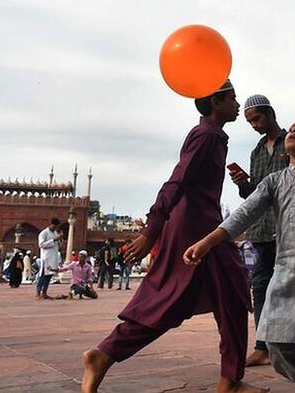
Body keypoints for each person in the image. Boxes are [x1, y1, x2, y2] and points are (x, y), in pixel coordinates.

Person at [81, 80, 261, 393]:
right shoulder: (205, 135)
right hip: (196, 231)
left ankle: (106, 354)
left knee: (187, 301)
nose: (237, 103)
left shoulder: (214, 135)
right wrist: (152, 230)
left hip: (201, 227)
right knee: (195, 297)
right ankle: (229, 380)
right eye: (233, 98)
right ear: (216, 103)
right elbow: (176, 181)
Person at [185, 110, 295, 393]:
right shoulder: (275, 181)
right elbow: (244, 214)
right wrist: (207, 241)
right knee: (276, 346)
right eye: (293, 127)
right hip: (285, 272)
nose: (293, 131)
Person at [226, 94, 288, 368]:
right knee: (261, 287)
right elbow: (254, 197)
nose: (254, 125)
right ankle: (263, 346)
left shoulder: (293, 142)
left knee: (288, 288)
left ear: (270, 113)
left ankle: (289, 344)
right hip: (261, 230)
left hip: (287, 228)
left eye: (257, 119)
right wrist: (243, 184)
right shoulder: (257, 151)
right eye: (250, 121)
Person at [37, 218, 62, 300]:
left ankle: (44, 293)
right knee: (43, 276)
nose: (55, 228)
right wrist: (54, 240)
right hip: (46, 258)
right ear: (50, 224)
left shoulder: (55, 233)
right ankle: (38, 293)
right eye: (54, 226)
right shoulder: (43, 233)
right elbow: (41, 245)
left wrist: (59, 239)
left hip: (53, 258)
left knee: (49, 276)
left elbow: (57, 245)